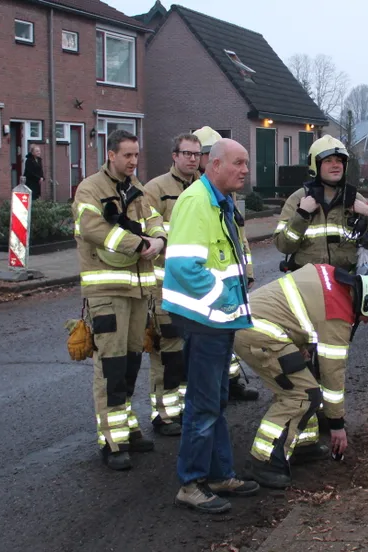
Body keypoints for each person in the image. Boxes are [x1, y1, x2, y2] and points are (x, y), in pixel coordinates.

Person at [235, 264, 368, 489]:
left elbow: (300, 310)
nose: (365, 322)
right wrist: (336, 425)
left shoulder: (334, 279)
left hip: (258, 324)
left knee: (307, 380)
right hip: (259, 334)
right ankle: (262, 462)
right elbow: (332, 375)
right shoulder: (338, 313)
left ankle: (302, 445)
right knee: (302, 394)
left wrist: (301, 344)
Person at [162, 138, 260, 514]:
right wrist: (226, 300)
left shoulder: (218, 200)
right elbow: (183, 267)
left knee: (215, 401)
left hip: (216, 321)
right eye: (239, 163)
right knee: (203, 405)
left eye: (246, 163)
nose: (245, 170)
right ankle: (191, 483)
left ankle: (218, 475)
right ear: (215, 165)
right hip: (205, 321)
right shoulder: (197, 202)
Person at [72, 129, 167, 471]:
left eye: (136, 155)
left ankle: (127, 428)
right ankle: (112, 441)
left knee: (130, 365)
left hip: (139, 291)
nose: (133, 161)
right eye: (127, 155)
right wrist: (139, 245)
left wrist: (159, 239)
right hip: (107, 293)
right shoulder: (91, 188)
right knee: (111, 367)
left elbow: (155, 221)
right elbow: (92, 229)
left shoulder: (136, 189)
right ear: (110, 155)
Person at [192, 126, 259, 402]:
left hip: (227, 281)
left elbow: (239, 237)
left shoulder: (226, 193)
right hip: (201, 286)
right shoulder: (194, 195)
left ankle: (230, 384)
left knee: (227, 336)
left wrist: (247, 272)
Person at [143, 133, 201, 437]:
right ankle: (164, 414)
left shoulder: (205, 188)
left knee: (189, 352)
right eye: (186, 153)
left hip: (196, 287)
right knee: (167, 352)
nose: (192, 159)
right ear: (174, 155)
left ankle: (183, 408)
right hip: (165, 287)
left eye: (196, 154)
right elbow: (150, 231)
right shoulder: (155, 189)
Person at [274, 135, 368, 273]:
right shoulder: (298, 199)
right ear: (315, 165)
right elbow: (283, 246)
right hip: (308, 280)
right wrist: (302, 215)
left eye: (339, 161)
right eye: (328, 161)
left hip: (345, 281)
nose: (335, 165)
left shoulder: (356, 199)